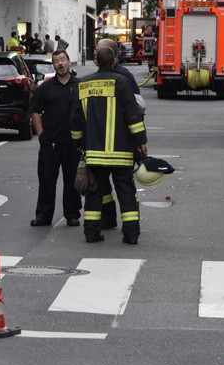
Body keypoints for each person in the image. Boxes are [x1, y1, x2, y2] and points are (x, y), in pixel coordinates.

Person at [70, 44, 147, 245]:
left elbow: (75, 121)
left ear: (96, 62)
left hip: (94, 154)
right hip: (121, 154)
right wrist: (141, 142)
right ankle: (130, 234)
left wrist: (78, 143)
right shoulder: (122, 83)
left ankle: (91, 233)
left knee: (94, 194)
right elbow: (133, 117)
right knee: (126, 193)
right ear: (114, 61)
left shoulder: (83, 85)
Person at [93, 37, 146, 229]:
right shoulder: (95, 78)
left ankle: (131, 224)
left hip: (122, 143)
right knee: (103, 187)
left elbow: (136, 110)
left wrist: (138, 141)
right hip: (100, 144)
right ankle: (108, 219)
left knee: (124, 186)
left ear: (112, 55)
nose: (95, 52)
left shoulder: (125, 78)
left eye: (99, 50)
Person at [29, 49, 82, 227]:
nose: (60, 63)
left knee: (72, 180)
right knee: (46, 181)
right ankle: (43, 216)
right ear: (53, 65)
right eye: (56, 61)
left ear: (69, 61)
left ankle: (72, 215)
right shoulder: (45, 88)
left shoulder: (80, 86)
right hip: (50, 143)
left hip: (73, 144)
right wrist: (41, 134)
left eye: (62, 60)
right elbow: (35, 111)